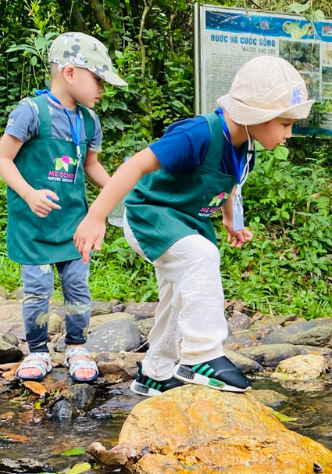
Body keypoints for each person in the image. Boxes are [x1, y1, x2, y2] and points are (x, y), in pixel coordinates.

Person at [73, 56, 313, 396]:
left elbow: (230, 183)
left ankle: (154, 373)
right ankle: (201, 356)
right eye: (285, 124)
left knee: (177, 295)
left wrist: (232, 221)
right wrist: (96, 215)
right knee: (201, 256)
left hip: (185, 221)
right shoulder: (197, 133)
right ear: (256, 116)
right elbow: (134, 166)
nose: (289, 134)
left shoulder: (243, 145)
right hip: (150, 215)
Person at [0, 32, 127, 383]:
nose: (102, 88)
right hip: (34, 225)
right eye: (98, 79)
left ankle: (76, 345)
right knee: (37, 289)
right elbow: (3, 158)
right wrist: (28, 193)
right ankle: (38, 350)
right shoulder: (31, 112)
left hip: (74, 223)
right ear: (70, 73)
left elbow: (91, 166)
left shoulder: (89, 121)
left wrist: (122, 191)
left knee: (77, 286)